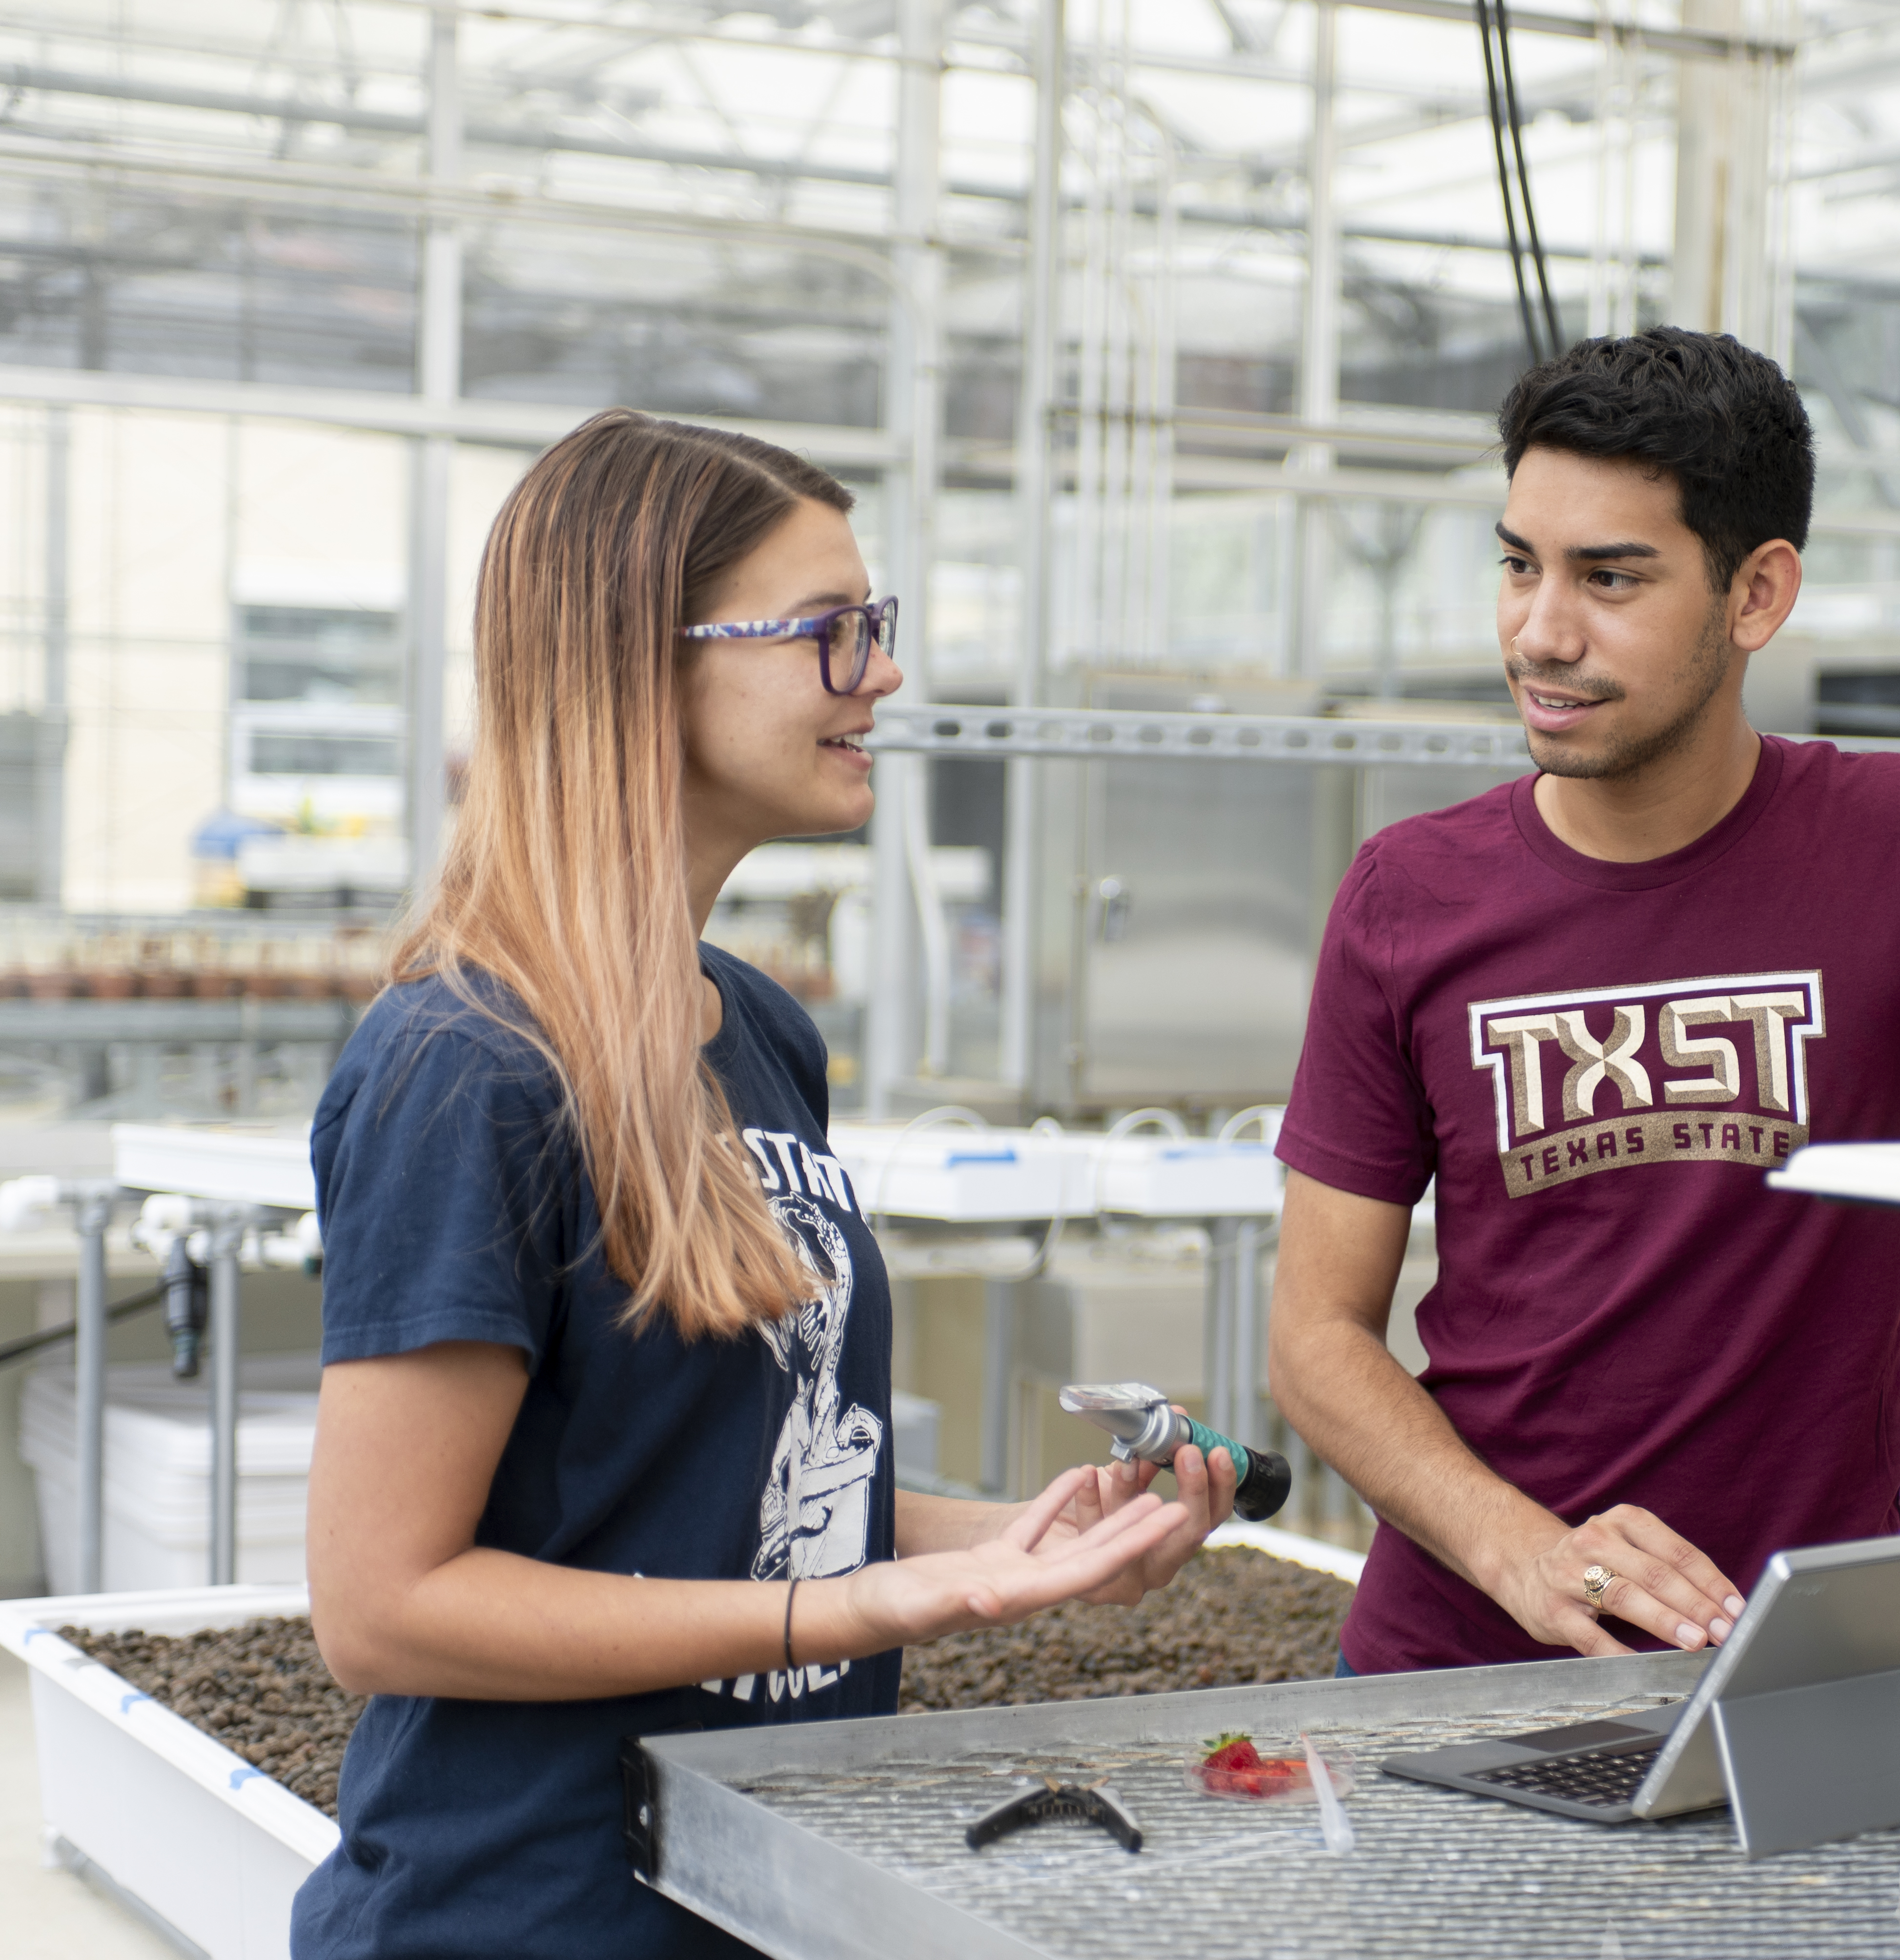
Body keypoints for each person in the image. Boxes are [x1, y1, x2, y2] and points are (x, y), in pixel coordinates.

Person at [293, 409, 1235, 1959]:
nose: (882, 675)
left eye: (877, 627)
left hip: (765, 1898)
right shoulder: (469, 1068)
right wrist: (849, 1614)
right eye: (829, 634)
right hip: (532, 1914)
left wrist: (1007, 1551)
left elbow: (731, 1478)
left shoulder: (758, 1031)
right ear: (638, 662)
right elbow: (382, 1605)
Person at [1267, 327, 1900, 1676]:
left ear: (1757, 593)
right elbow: (1315, 1340)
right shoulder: (1409, 893)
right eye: (1518, 564)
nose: (1542, 631)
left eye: (1611, 579)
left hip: (1802, 1662)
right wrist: (1521, 1550)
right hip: (1460, 1669)